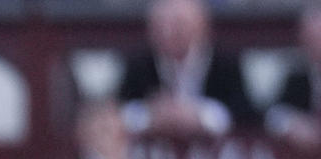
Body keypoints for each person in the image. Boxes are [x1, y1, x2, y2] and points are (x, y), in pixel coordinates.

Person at [116, 0, 263, 139]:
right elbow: (118, 111)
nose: (169, 32)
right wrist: (151, 115)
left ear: (202, 27)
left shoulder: (225, 62)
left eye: (179, 25)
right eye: (162, 26)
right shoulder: (139, 63)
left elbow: (245, 114)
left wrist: (199, 115)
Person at [265, 4, 321, 150]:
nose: (317, 45)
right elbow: (273, 114)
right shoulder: (298, 76)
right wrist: (292, 123)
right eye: (312, 38)